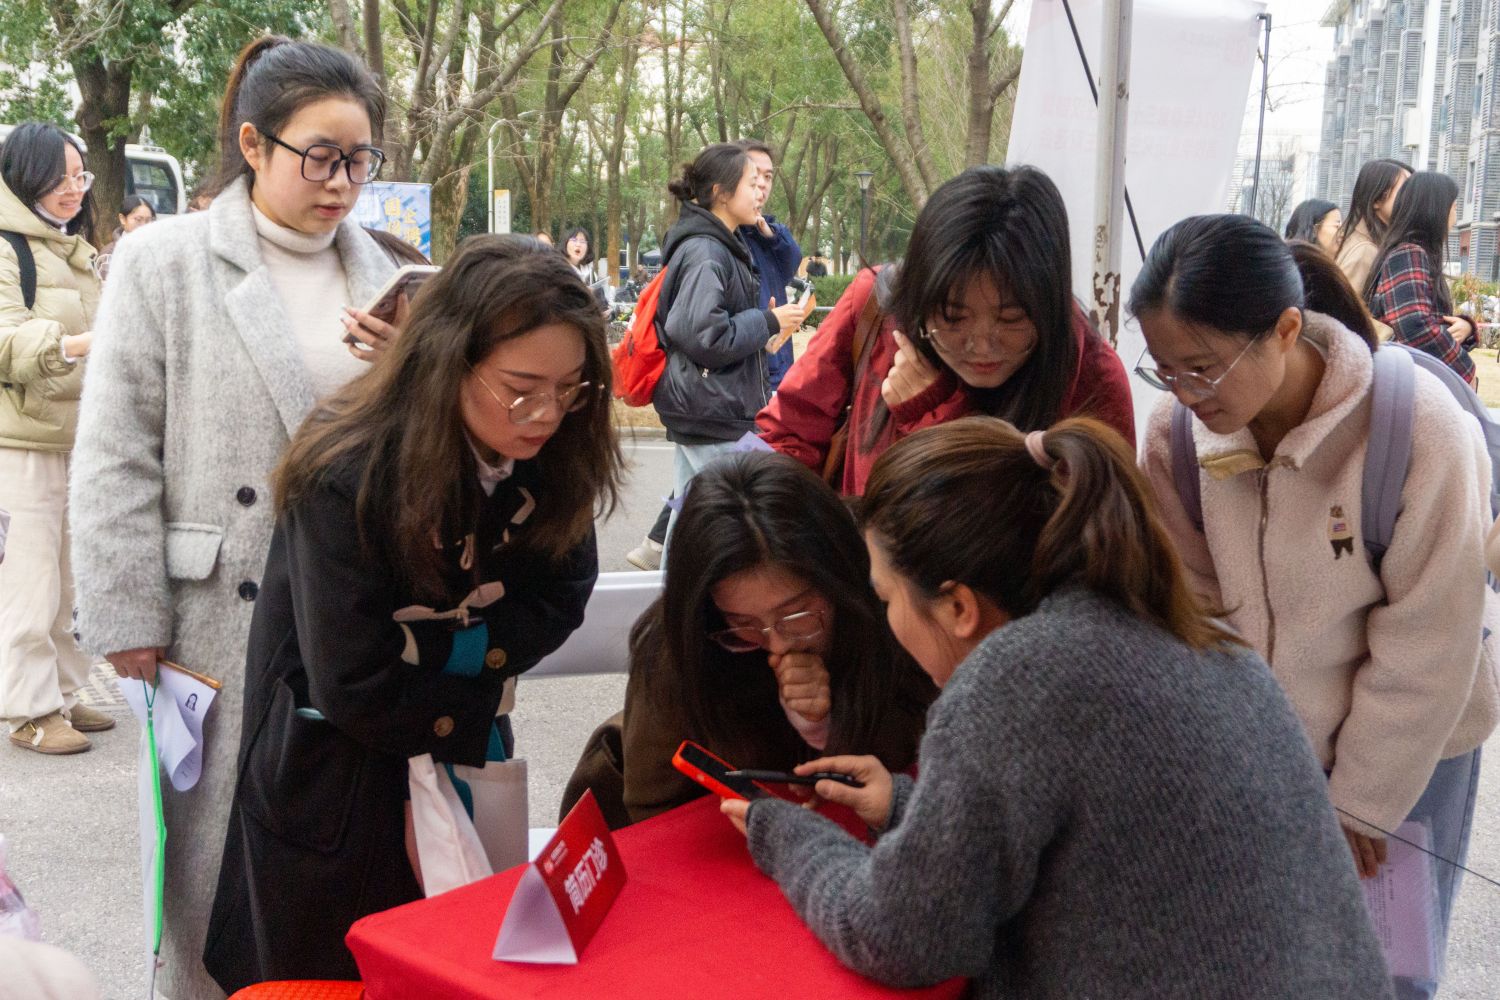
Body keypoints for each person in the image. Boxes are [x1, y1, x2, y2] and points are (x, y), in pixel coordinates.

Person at [722, 416, 1394, 999]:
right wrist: (905, 807)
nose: (887, 617)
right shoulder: (1193, 639)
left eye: (889, 596)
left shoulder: (1016, 678)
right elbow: (1104, 841)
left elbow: (905, 938)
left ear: (957, 607)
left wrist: (785, 836)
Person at [69, 37, 398, 1000]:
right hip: (215, 608)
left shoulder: (388, 276)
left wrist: (407, 373)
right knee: (213, 868)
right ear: (253, 145)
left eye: (362, 160)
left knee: (335, 849)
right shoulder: (162, 260)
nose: (343, 182)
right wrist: (127, 612)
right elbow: (118, 442)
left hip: (347, 615)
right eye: (321, 156)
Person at [203, 234, 620, 990]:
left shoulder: (557, 455)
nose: (546, 414)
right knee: (335, 970)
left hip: (463, 745)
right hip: (335, 781)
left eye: (571, 388)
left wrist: (442, 652)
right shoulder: (346, 469)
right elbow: (354, 679)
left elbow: (562, 595)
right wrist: (479, 668)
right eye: (520, 386)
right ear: (446, 357)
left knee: (467, 957)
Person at [1135, 214, 1495, 1000]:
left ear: (1286, 329)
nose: (1186, 394)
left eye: (1201, 368)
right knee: (1264, 962)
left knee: (1383, 973)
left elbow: (1431, 639)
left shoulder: (1418, 432)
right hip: (1269, 750)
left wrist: (1362, 802)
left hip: (1412, 754)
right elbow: (1194, 622)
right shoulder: (1177, 439)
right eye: (1164, 371)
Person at [572, 450, 933, 827]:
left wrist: (826, 725)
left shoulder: (886, 598)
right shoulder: (681, 643)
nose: (777, 645)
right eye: (741, 623)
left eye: (796, 615)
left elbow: (918, 739)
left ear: (838, 580)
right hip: (726, 845)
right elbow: (654, 807)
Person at [758, 164, 1134, 496]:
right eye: (953, 317)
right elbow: (786, 435)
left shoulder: (1090, 375)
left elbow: (1097, 537)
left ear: (1048, 304)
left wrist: (937, 419)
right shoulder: (878, 308)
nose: (982, 345)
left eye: (1011, 319)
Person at [0, 122, 104, 755]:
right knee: (29, 582)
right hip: (19, 443)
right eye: (61, 177)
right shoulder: (6, 248)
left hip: (75, 437)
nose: (73, 189)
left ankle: (64, 694)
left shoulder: (73, 248)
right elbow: (6, 337)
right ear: (25, 176)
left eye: (79, 176)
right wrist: (75, 345)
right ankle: (29, 710)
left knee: (69, 582)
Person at [654, 143, 808, 546]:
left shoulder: (721, 245)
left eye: (764, 182)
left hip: (704, 407)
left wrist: (767, 335)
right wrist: (769, 319)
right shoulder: (707, 251)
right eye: (752, 182)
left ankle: (676, 601)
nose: (760, 191)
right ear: (722, 192)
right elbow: (704, 335)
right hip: (712, 410)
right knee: (756, 510)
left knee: (690, 521)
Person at [1364, 171, 1478, 386]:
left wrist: (1467, 327)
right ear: (1436, 210)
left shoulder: (1412, 252)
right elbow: (1415, 326)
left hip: (1414, 381)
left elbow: (1426, 319)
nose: (1455, 215)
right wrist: (1465, 371)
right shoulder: (1409, 253)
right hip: (1413, 385)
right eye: (1454, 207)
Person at [1334, 157, 1411, 293]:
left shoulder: (1363, 241)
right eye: (1405, 191)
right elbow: (1346, 311)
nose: (1412, 198)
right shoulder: (1365, 252)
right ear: (1376, 199)